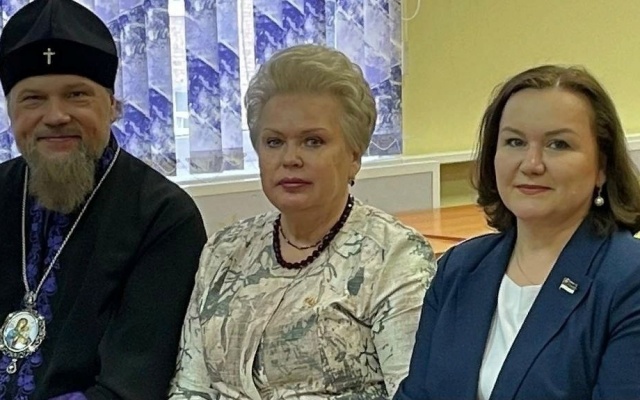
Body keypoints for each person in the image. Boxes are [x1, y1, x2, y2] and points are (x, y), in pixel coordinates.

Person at [169, 44, 437, 399]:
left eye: (313, 141)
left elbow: (411, 392)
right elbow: (189, 387)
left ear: (354, 155)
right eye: (274, 142)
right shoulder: (224, 249)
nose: (290, 158)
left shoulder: (395, 256)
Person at [0, 0, 207, 398]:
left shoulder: (164, 216)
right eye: (33, 99)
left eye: (76, 95)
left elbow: (130, 386)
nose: (55, 115)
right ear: (11, 112)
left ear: (112, 106)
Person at [394, 65, 640, 400]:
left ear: (602, 167)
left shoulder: (628, 280)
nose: (531, 163)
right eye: (515, 142)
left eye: (558, 144)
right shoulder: (459, 268)